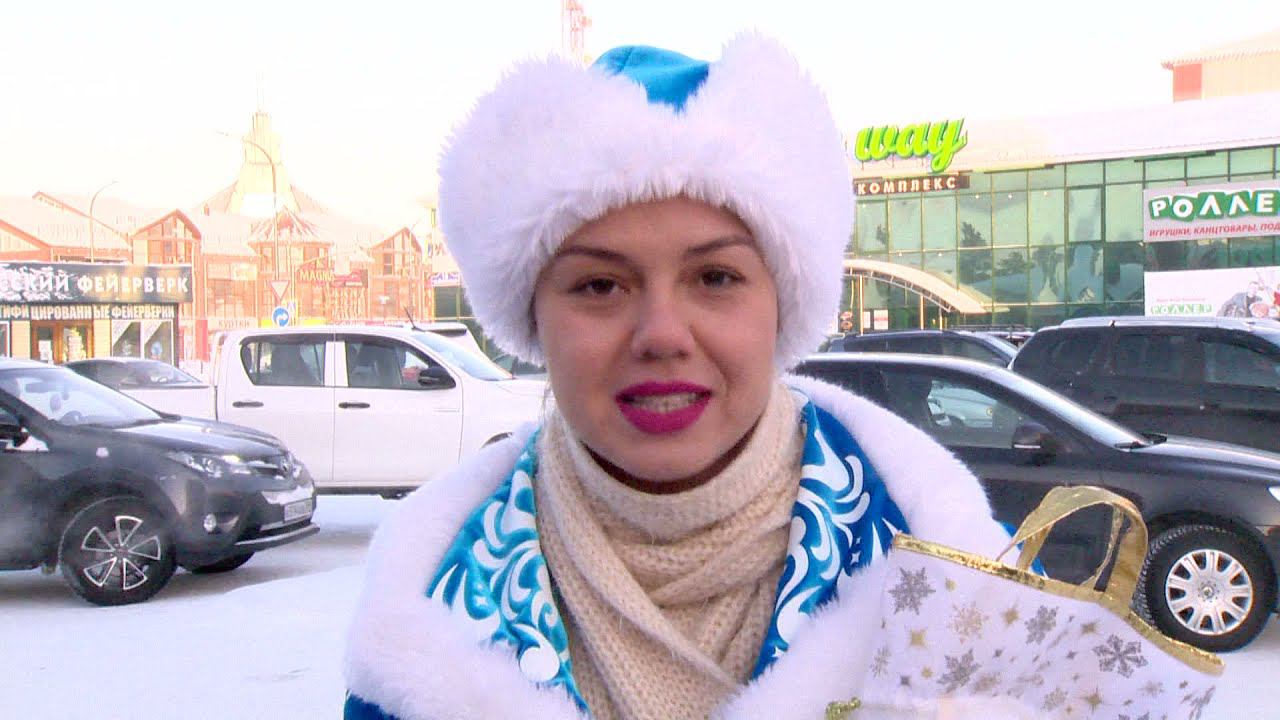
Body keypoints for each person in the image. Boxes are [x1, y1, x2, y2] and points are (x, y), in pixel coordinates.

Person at [343, 35, 1012, 720]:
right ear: (532, 318)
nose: (661, 334)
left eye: (715, 277)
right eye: (600, 285)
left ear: (783, 303)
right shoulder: (424, 624)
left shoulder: (968, 586)